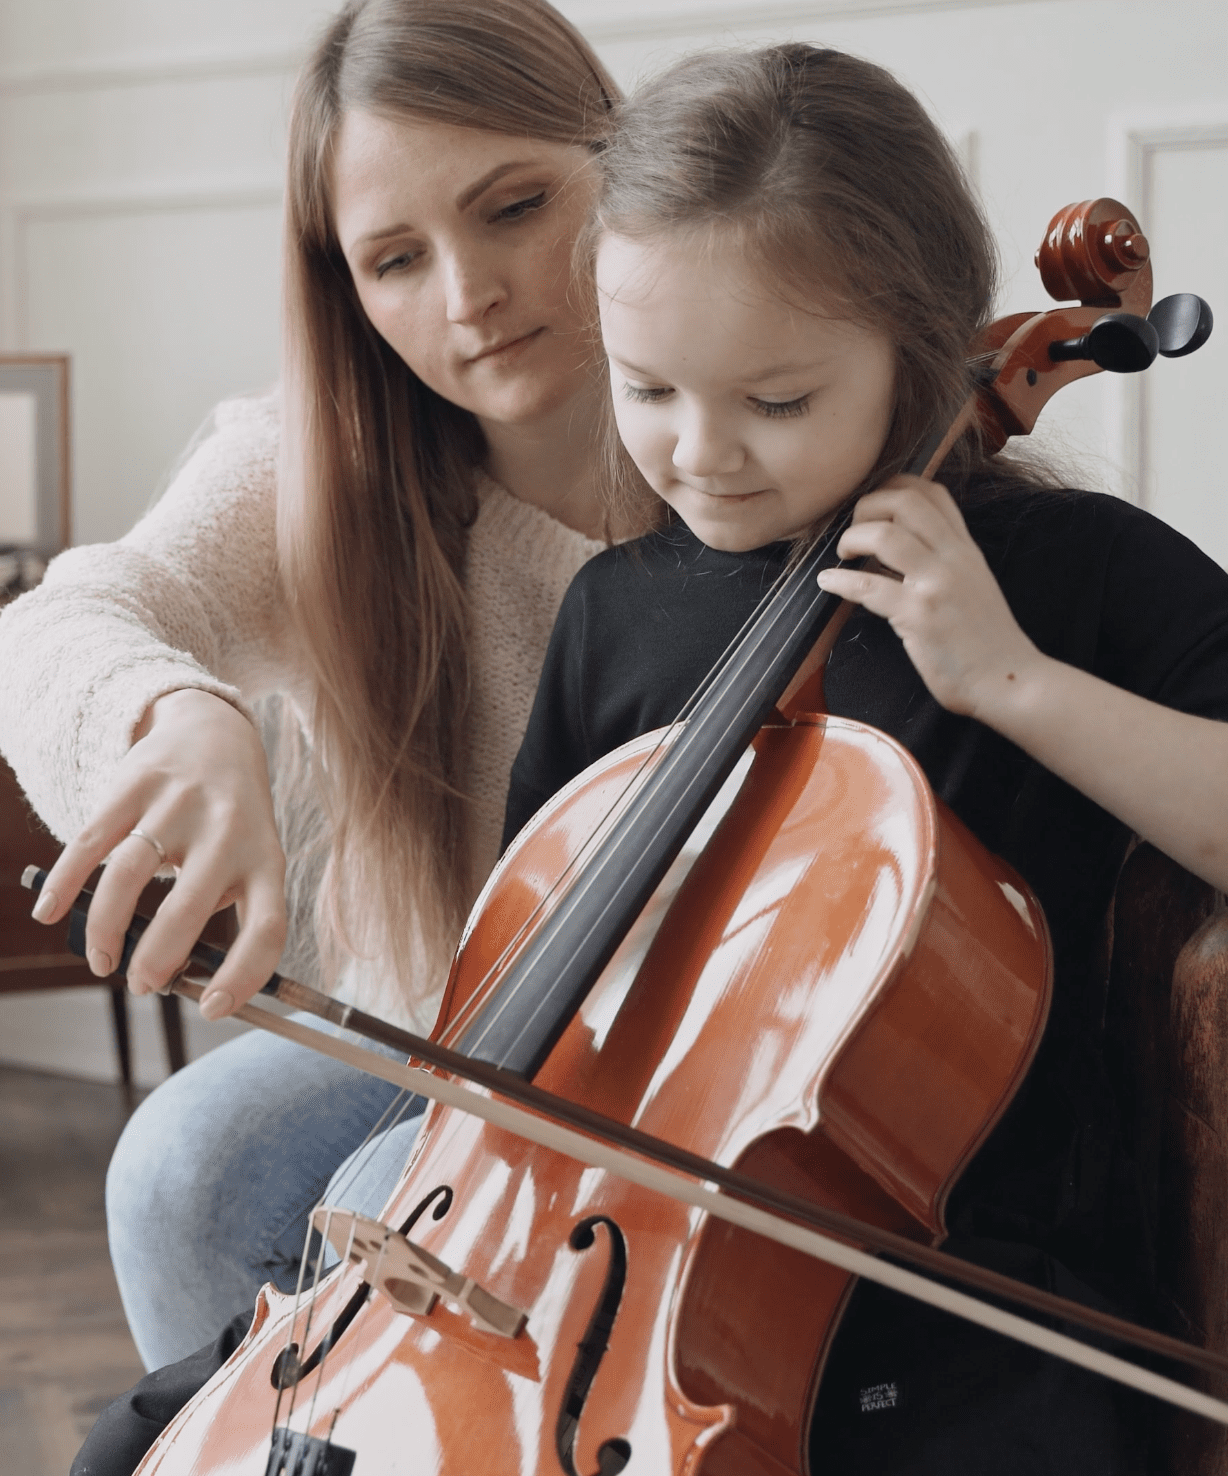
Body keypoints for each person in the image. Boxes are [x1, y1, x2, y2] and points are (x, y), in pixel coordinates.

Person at [500, 43, 1228, 1473]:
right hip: (613, 1272)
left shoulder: (1071, 577)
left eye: (775, 402)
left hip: (952, 1303)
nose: (701, 455)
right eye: (649, 390)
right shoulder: (614, 610)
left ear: (926, 343)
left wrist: (1011, 682)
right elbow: (527, 955)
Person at [0, 0, 624, 1378]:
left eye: (515, 206)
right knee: (180, 1169)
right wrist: (178, 713)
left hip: (700, 1056)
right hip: (452, 1041)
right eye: (395, 259)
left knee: (400, 1194)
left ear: (623, 162)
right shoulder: (316, 468)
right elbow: (68, 620)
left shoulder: (765, 420)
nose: (469, 296)